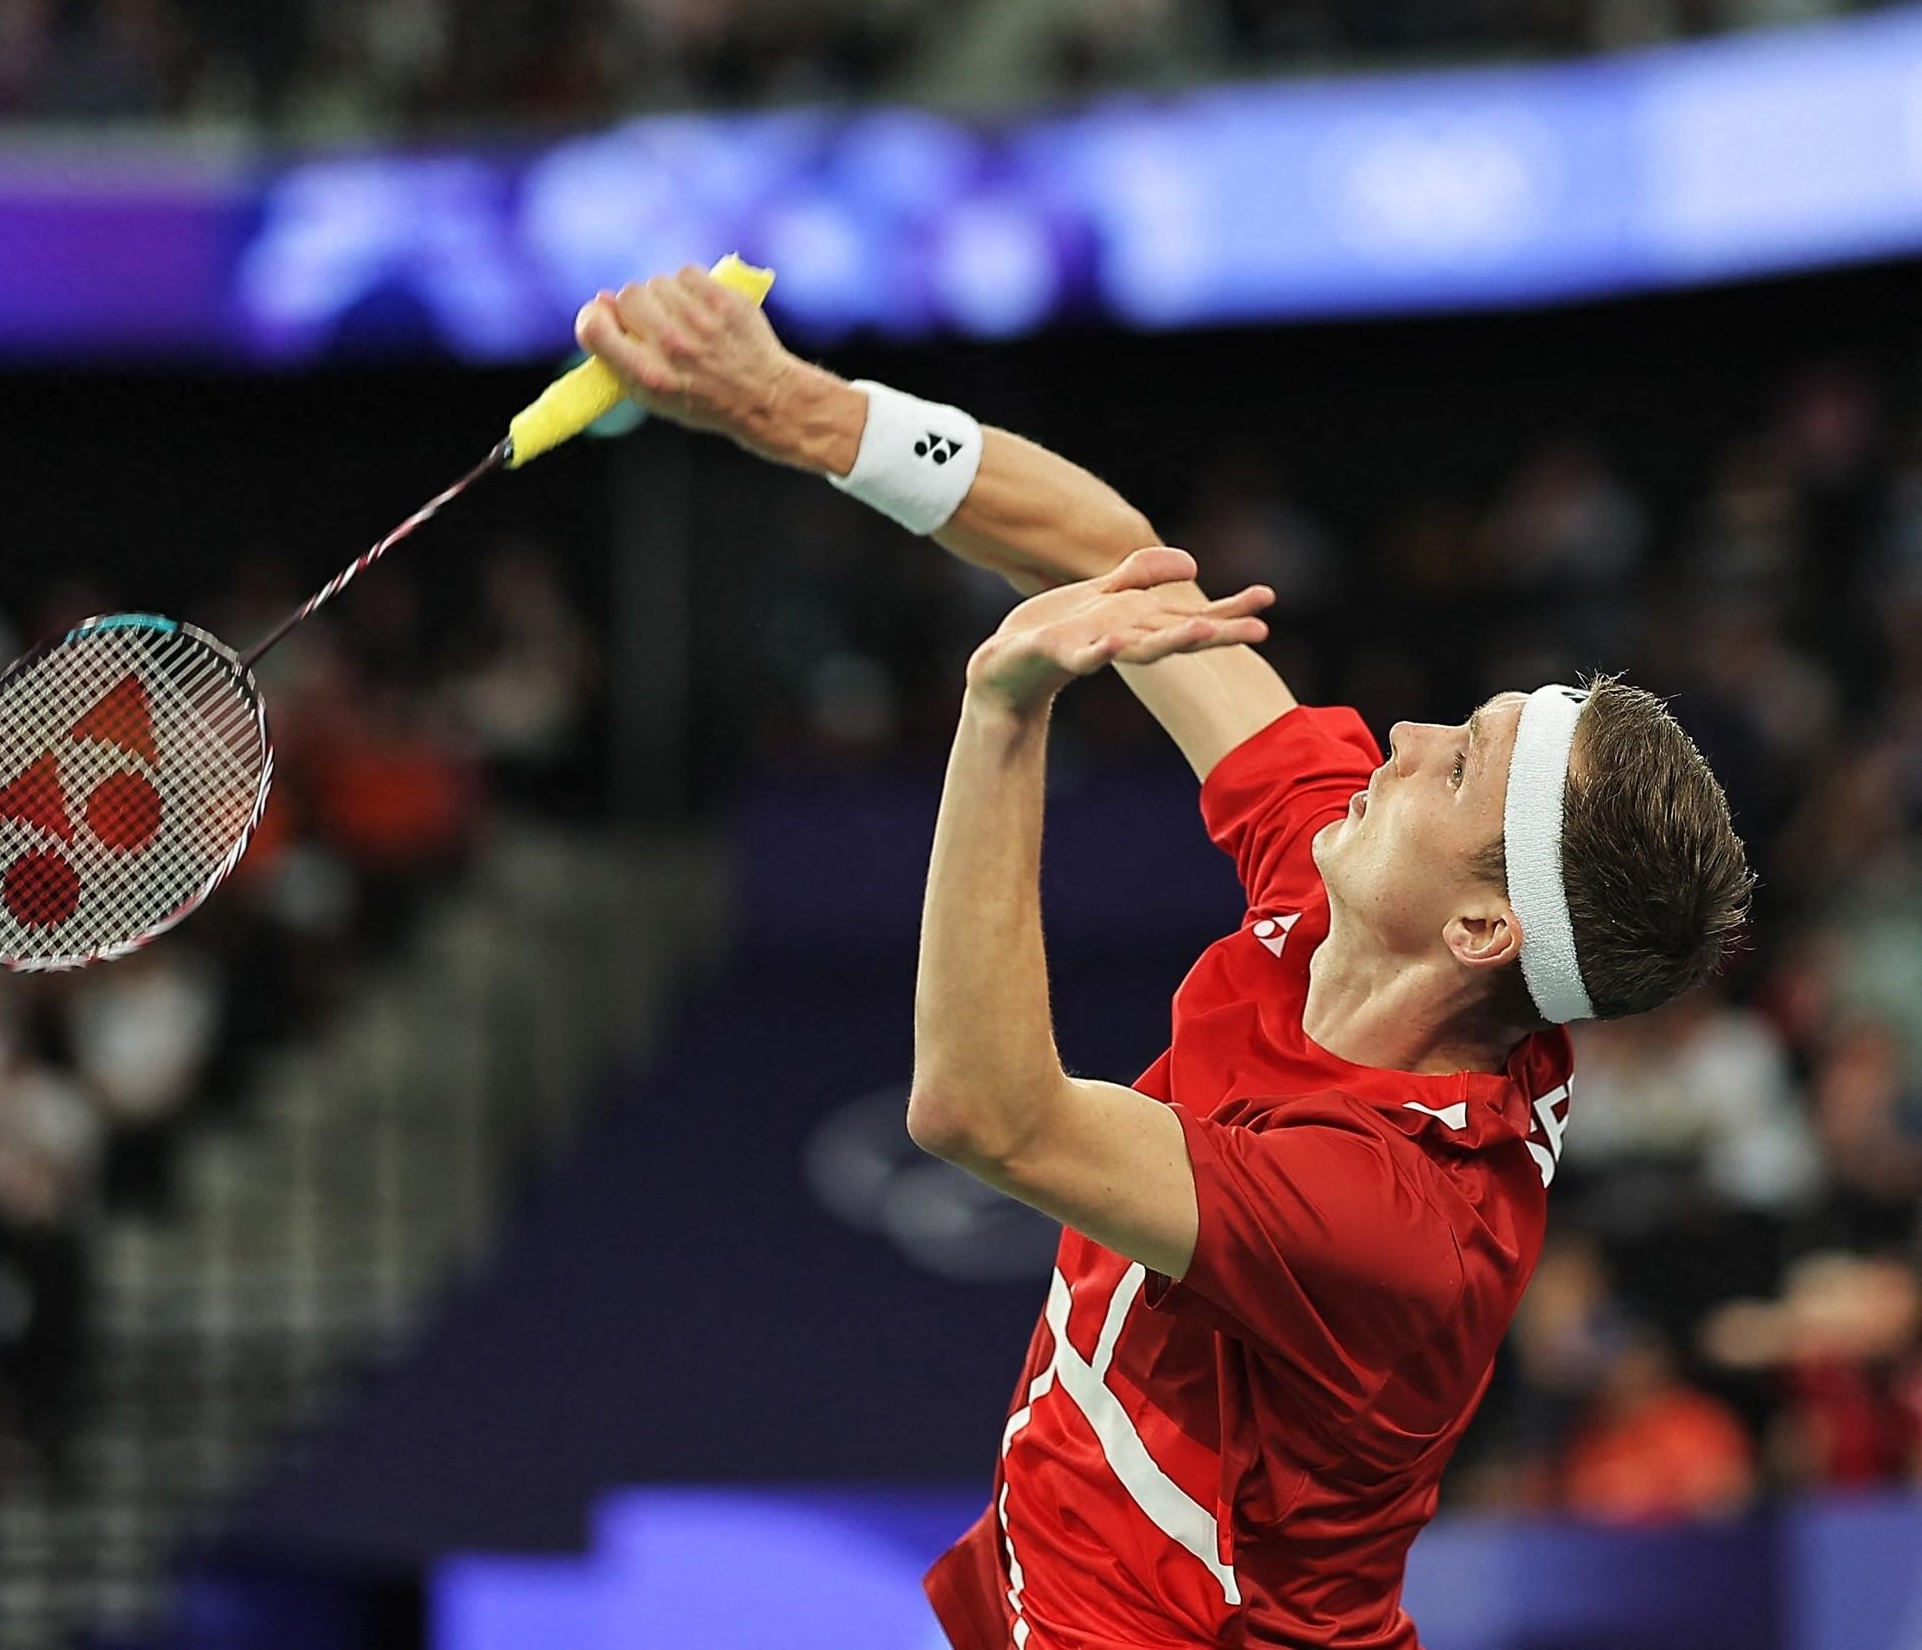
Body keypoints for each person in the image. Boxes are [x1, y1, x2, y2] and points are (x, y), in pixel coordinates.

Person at [571, 268, 1755, 1648]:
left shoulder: (1395, 1218)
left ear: (1485, 931)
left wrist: (1003, 715)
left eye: (1458, 765)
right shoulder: (1359, 885)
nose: (1405, 738)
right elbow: (1114, 560)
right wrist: (795, 408)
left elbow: (986, 1113)